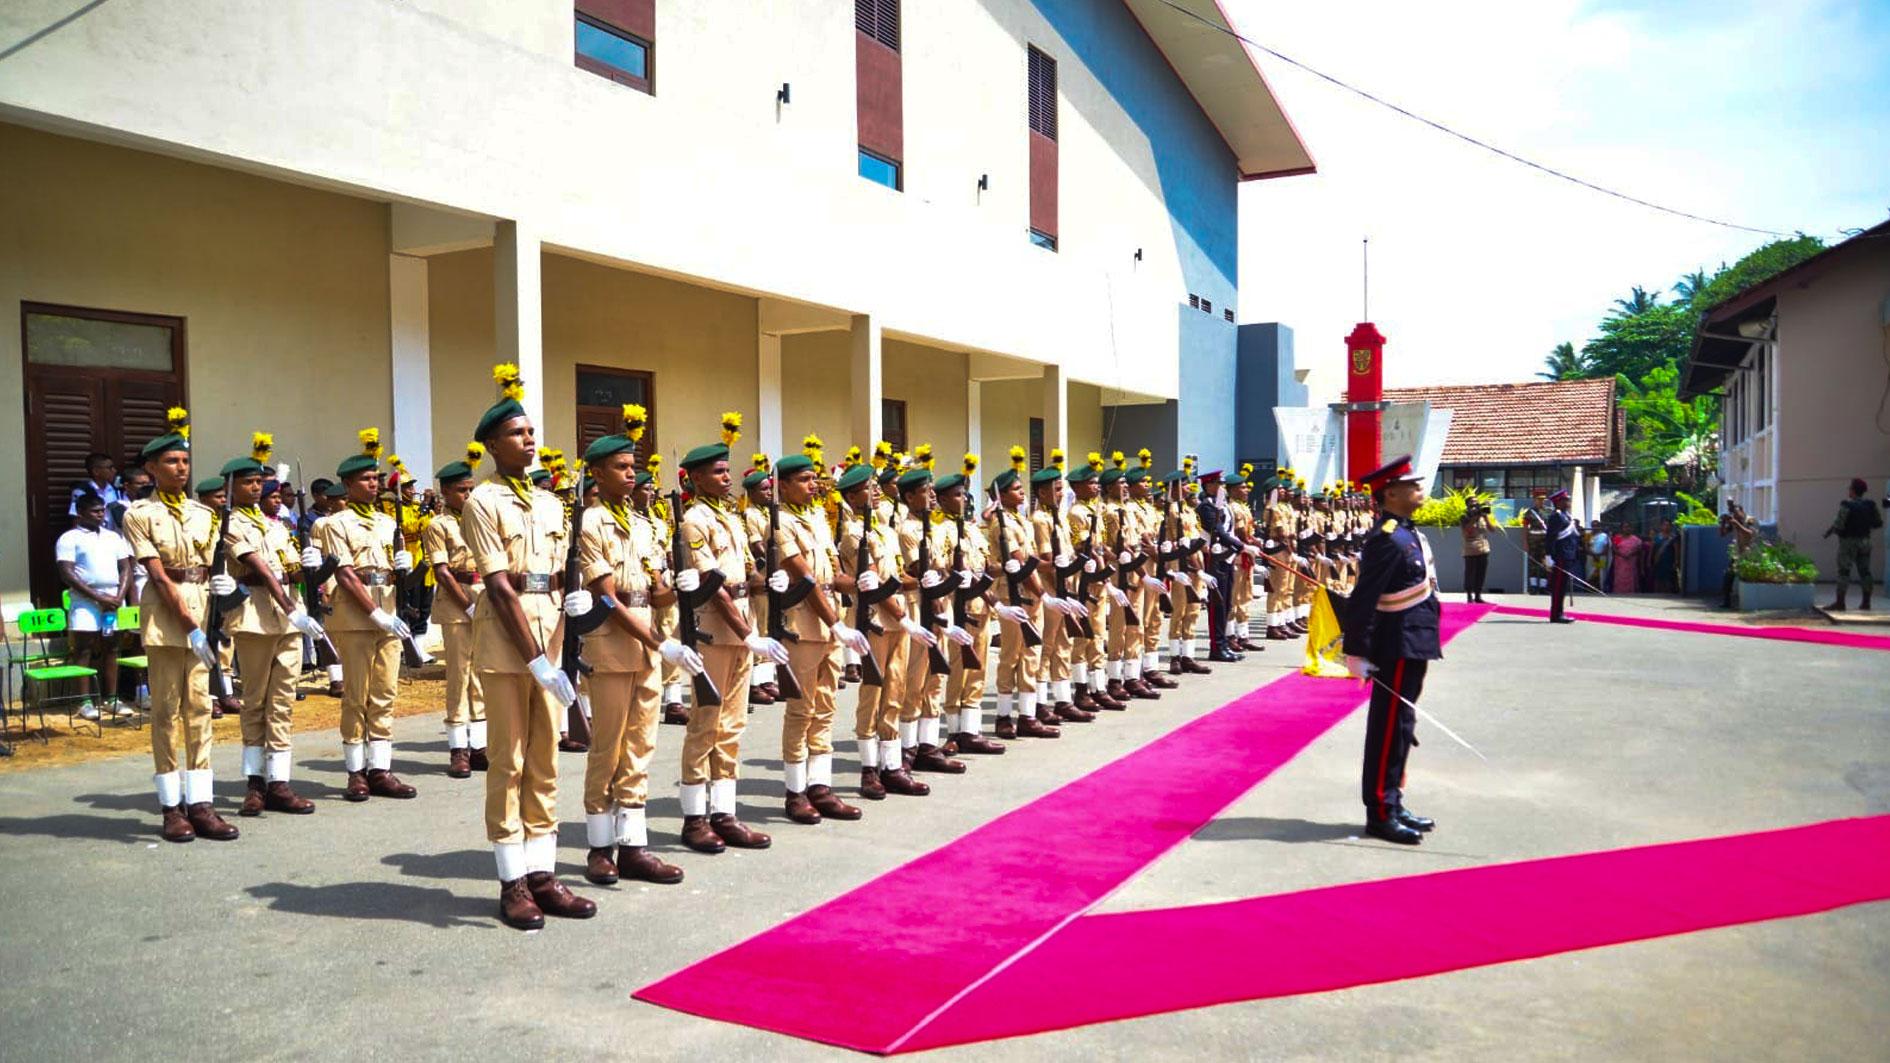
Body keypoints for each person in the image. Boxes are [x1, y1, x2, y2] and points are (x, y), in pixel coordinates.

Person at [461, 366, 596, 930]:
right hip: (507, 648)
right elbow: (499, 584)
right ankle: (511, 880)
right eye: (517, 433)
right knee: (509, 763)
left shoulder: (549, 503)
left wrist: (572, 621)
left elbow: (559, 578)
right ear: (492, 444)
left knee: (545, 762)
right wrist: (535, 658)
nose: (529, 439)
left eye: (532, 431)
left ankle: (543, 873)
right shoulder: (482, 502)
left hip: (552, 641)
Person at [576, 419, 702, 883]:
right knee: (607, 749)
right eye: (620, 467)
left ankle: (632, 844)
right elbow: (608, 598)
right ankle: (598, 846)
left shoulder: (646, 523)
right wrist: (660, 641)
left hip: (647, 645)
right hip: (612, 648)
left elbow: (654, 591)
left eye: (633, 467)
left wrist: (681, 588)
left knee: (640, 748)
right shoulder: (589, 523)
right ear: (597, 473)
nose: (631, 474)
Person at [121, 409, 240, 843]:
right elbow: (156, 572)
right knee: (167, 714)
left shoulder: (203, 513)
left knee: (200, 709)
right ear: (151, 469)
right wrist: (189, 623)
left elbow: (211, 563)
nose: (181, 468)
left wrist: (225, 585)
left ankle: (202, 804)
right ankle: (172, 808)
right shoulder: (138, 513)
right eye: (171, 462)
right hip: (168, 618)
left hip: (202, 611)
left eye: (185, 461)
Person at [674, 413, 790, 850]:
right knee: (706, 724)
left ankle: (724, 811)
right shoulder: (694, 521)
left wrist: (770, 582)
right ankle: (694, 818)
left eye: (727, 470)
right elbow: (714, 587)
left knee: (732, 726)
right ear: (698, 478)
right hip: (715, 633)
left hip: (740, 630)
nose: (726, 477)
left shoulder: (731, 517)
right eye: (718, 472)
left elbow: (741, 579)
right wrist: (749, 635)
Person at [218, 434, 325, 817]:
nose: (257, 486)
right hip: (256, 618)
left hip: (287, 621)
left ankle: (279, 782)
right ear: (231, 486)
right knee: (255, 703)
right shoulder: (228, 523)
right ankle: (254, 783)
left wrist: (309, 563)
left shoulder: (277, 525)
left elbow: (288, 567)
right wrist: (289, 604)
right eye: (248, 482)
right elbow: (257, 567)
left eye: (258, 481)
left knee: (281, 704)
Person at [1341, 454, 1441, 846]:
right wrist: (1355, 652)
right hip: (1394, 643)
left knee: (1402, 727)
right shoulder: (1386, 539)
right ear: (1392, 492)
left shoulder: (1407, 533)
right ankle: (1380, 812)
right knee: (1387, 730)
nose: (1420, 489)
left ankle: (1394, 801)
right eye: (1413, 485)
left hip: (1413, 641)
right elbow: (1364, 598)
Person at [769, 449, 873, 823]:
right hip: (803, 628)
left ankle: (820, 786)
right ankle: (795, 792)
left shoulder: (815, 518)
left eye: (815, 478)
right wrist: (838, 624)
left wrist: (861, 584)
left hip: (828, 625)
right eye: (805, 480)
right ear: (783, 486)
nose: (814, 485)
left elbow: (829, 576)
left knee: (825, 708)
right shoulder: (779, 525)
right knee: (801, 710)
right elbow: (805, 579)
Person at [318, 429, 418, 802]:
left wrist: (402, 568)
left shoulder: (386, 523)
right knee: (357, 695)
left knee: (385, 693)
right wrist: (375, 612)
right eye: (365, 479)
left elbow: (389, 570)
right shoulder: (335, 525)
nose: (373, 484)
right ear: (347, 484)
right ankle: (356, 772)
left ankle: (381, 768)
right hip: (358, 617)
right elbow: (344, 574)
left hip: (388, 612)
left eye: (376, 478)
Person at [424, 443, 489, 778]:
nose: (468, 495)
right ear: (446, 492)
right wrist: (468, 604)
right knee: (459, 676)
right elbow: (442, 571)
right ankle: (458, 749)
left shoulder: (479, 521)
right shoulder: (438, 525)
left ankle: (479, 745)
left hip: (482, 597)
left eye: (470, 489)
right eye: (462, 490)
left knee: (480, 674)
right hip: (456, 603)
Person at [987, 448, 1057, 739]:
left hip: (1030, 597)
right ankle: (1004, 716)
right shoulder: (1002, 525)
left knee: (1031, 655)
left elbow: (1028, 560)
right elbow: (1022, 565)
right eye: (1016, 490)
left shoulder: (1019, 521)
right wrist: (1044, 594)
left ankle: (1027, 715)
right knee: (1011, 657)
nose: (1021, 493)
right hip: (1012, 596)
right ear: (1001, 496)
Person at [56, 493, 134, 720]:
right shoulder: (69, 538)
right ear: (80, 513)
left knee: (112, 647)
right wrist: (97, 597)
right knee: (84, 649)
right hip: (85, 599)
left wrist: (118, 596)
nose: (101, 515)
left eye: (102, 511)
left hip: (113, 598)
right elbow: (66, 573)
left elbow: (125, 568)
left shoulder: (113, 537)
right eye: (95, 511)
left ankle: (111, 698)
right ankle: (84, 701)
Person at [1825, 477, 1883, 610]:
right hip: (1865, 541)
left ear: (1853, 490)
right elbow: (1878, 523)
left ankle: (1840, 603)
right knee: (1865, 572)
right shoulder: (1871, 504)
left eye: (1850, 488)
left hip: (1849, 542)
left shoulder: (1847, 505)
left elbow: (1839, 525)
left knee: (1844, 571)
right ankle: (1866, 602)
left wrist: (1835, 531)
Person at [1543, 488, 1579, 623]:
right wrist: (1548, 556)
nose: (1568, 501)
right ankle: (1556, 615)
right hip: (1560, 556)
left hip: (1568, 555)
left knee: (1562, 586)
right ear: (1558, 502)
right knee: (1558, 587)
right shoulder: (1556, 516)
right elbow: (1550, 538)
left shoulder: (1566, 515)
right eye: (1565, 500)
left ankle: (1560, 612)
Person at [69, 452, 127, 530]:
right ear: (96, 471)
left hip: (114, 535)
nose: (114, 471)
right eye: (110, 468)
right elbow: (76, 517)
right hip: (92, 533)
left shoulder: (117, 489)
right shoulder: (82, 491)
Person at [1720, 502, 1758, 607]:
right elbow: (1722, 534)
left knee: (1749, 578)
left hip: (1750, 553)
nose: (1735, 515)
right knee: (1728, 577)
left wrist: (1737, 524)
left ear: (1742, 511)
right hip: (1737, 553)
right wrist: (1723, 522)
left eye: (1737, 513)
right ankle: (1726, 601)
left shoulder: (1750, 520)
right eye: (1733, 513)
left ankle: (1750, 602)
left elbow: (1750, 534)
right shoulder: (1735, 522)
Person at [1459, 498, 1495, 603]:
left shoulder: (1482, 515)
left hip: (1483, 548)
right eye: (1472, 504)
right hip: (1470, 548)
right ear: (1467, 505)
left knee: (1481, 573)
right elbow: (1467, 531)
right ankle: (1469, 596)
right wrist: (1475, 517)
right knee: (1470, 573)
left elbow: (1493, 530)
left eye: (1476, 503)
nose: (1474, 505)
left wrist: (1486, 517)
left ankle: (1478, 596)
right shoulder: (1464, 516)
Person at [1610, 522, 1645, 594]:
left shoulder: (1636, 539)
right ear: (1621, 528)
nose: (1627, 529)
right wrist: (1621, 554)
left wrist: (1631, 553)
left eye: (1629, 527)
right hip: (1620, 563)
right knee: (1620, 578)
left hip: (1631, 562)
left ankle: (1630, 593)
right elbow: (1614, 548)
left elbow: (1640, 550)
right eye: (1625, 527)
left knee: (1631, 578)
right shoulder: (1617, 538)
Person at [1650, 519, 1680, 594]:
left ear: (1671, 527)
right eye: (1664, 525)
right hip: (1658, 561)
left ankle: (1668, 594)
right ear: (1661, 526)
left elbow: (1677, 550)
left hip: (1669, 561)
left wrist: (1676, 561)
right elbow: (1652, 549)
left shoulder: (1673, 537)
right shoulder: (1657, 537)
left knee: (1668, 580)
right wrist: (1649, 560)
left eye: (1668, 525)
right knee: (1658, 579)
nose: (1666, 527)